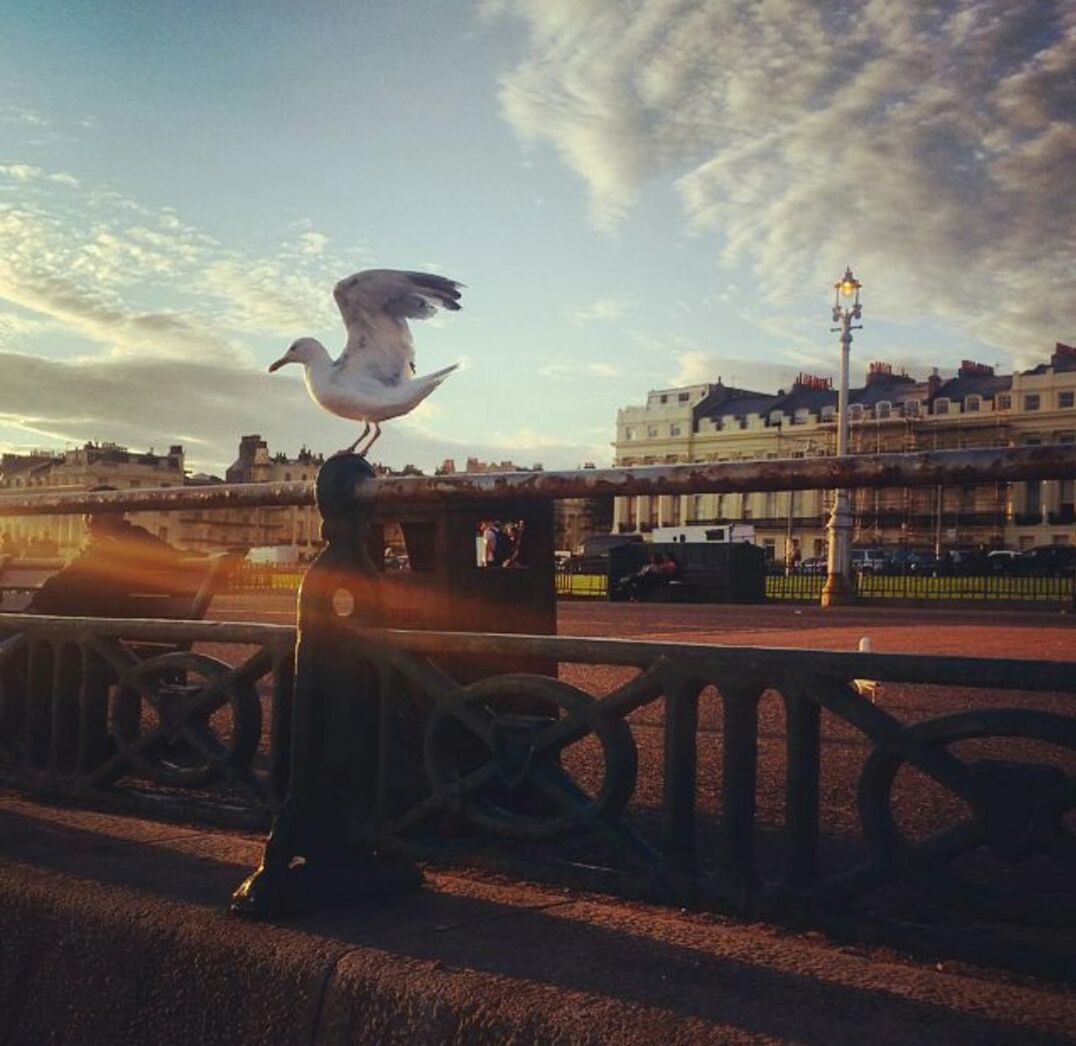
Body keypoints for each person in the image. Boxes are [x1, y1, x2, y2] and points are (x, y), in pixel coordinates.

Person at [29, 488, 185, 618]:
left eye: (99, 511)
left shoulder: (130, 539)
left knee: (55, 589)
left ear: (119, 515)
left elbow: (171, 555)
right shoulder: (94, 545)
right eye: (86, 512)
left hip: (99, 619)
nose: (90, 519)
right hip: (85, 621)